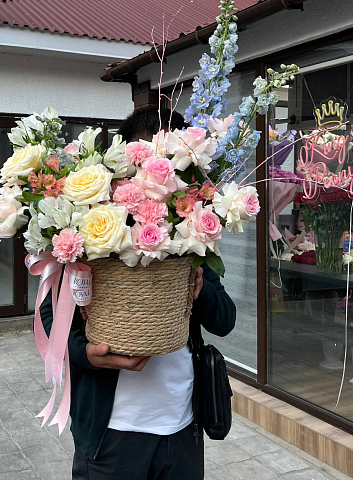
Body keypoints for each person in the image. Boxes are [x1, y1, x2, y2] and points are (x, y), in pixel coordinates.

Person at [40, 106, 236, 480]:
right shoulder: (90, 238)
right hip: (110, 433)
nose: (153, 174)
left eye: (167, 161)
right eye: (142, 160)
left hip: (182, 429)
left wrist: (199, 290)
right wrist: (87, 355)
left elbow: (225, 320)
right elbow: (54, 319)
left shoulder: (191, 237)